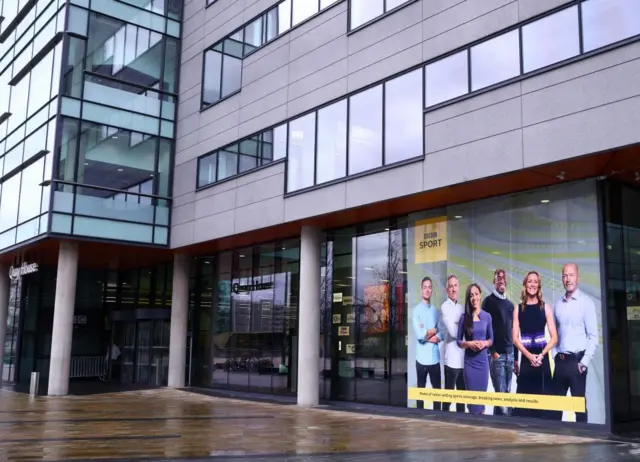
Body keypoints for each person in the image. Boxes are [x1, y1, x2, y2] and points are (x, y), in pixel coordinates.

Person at [551, 263, 599, 422]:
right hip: (561, 362)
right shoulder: (557, 304)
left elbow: (593, 336)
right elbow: (554, 334)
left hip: (577, 362)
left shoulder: (586, 303)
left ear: (578, 278)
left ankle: (583, 443)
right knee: (555, 409)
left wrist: (583, 362)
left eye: (571, 275)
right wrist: (554, 355)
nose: (567, 279)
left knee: (579, 410)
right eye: (565, 275)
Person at [512, 271, 558, 419]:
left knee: (544, 403)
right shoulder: (518, 309)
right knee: (525, 405)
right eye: (529, 281)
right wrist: (529, 356)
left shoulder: (545, 308)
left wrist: (541, 355)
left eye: (535, 281)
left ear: (539, 286)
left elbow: (554, 338)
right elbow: (514, 338)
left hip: (542, 360)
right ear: (525, 285)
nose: (532, 284)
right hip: (526, 360)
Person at [482, 268, 515, 416]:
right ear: (494, 281)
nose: (501, 280)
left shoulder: (510, 305)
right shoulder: (488, 302)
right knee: (501, 398)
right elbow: (483, 330)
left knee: (505, 396)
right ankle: (506, 429)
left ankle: (498, 427)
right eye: (498, 277)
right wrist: (493, 352)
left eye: (503, 277)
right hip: (497, 357)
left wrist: (516, 358)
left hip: (510, 356)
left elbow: (514, 332)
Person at [457, 283, 493, 415]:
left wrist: (484, 344)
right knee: (472, 403)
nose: (474, 298)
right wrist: (469, 344)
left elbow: (491, 339)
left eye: (476, 294)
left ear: (480, 295)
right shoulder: (464, 318)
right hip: (470, 364)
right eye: (471, 295)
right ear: (468, 298)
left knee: (481, 402)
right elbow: (458, 341)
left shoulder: (487, 317)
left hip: (483, 364)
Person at [412, 276, 445, 410]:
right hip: (421, 360)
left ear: (432, 290)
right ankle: (420, 420)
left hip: (435, 359)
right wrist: (434, 330)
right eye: (425, 287)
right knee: (421, 394)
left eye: (429, 287)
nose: (427, 290)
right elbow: (420, 335)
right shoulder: (416, 311)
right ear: (421, 290)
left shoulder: (436, 312)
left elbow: (442, 334)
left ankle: (439, 419)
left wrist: (428, 334)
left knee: (437, 394)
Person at [440, 274, 465, 412]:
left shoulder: (462, 308)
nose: (453, 289)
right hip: (451, 360)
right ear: (446, 289)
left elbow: (466, 330)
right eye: (451, 286)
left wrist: (459, 325)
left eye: (455, 286)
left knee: (462, 398)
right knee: (448, 399)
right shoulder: (445, 307)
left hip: (463, 359)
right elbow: (454, 332)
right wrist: (461, 327)